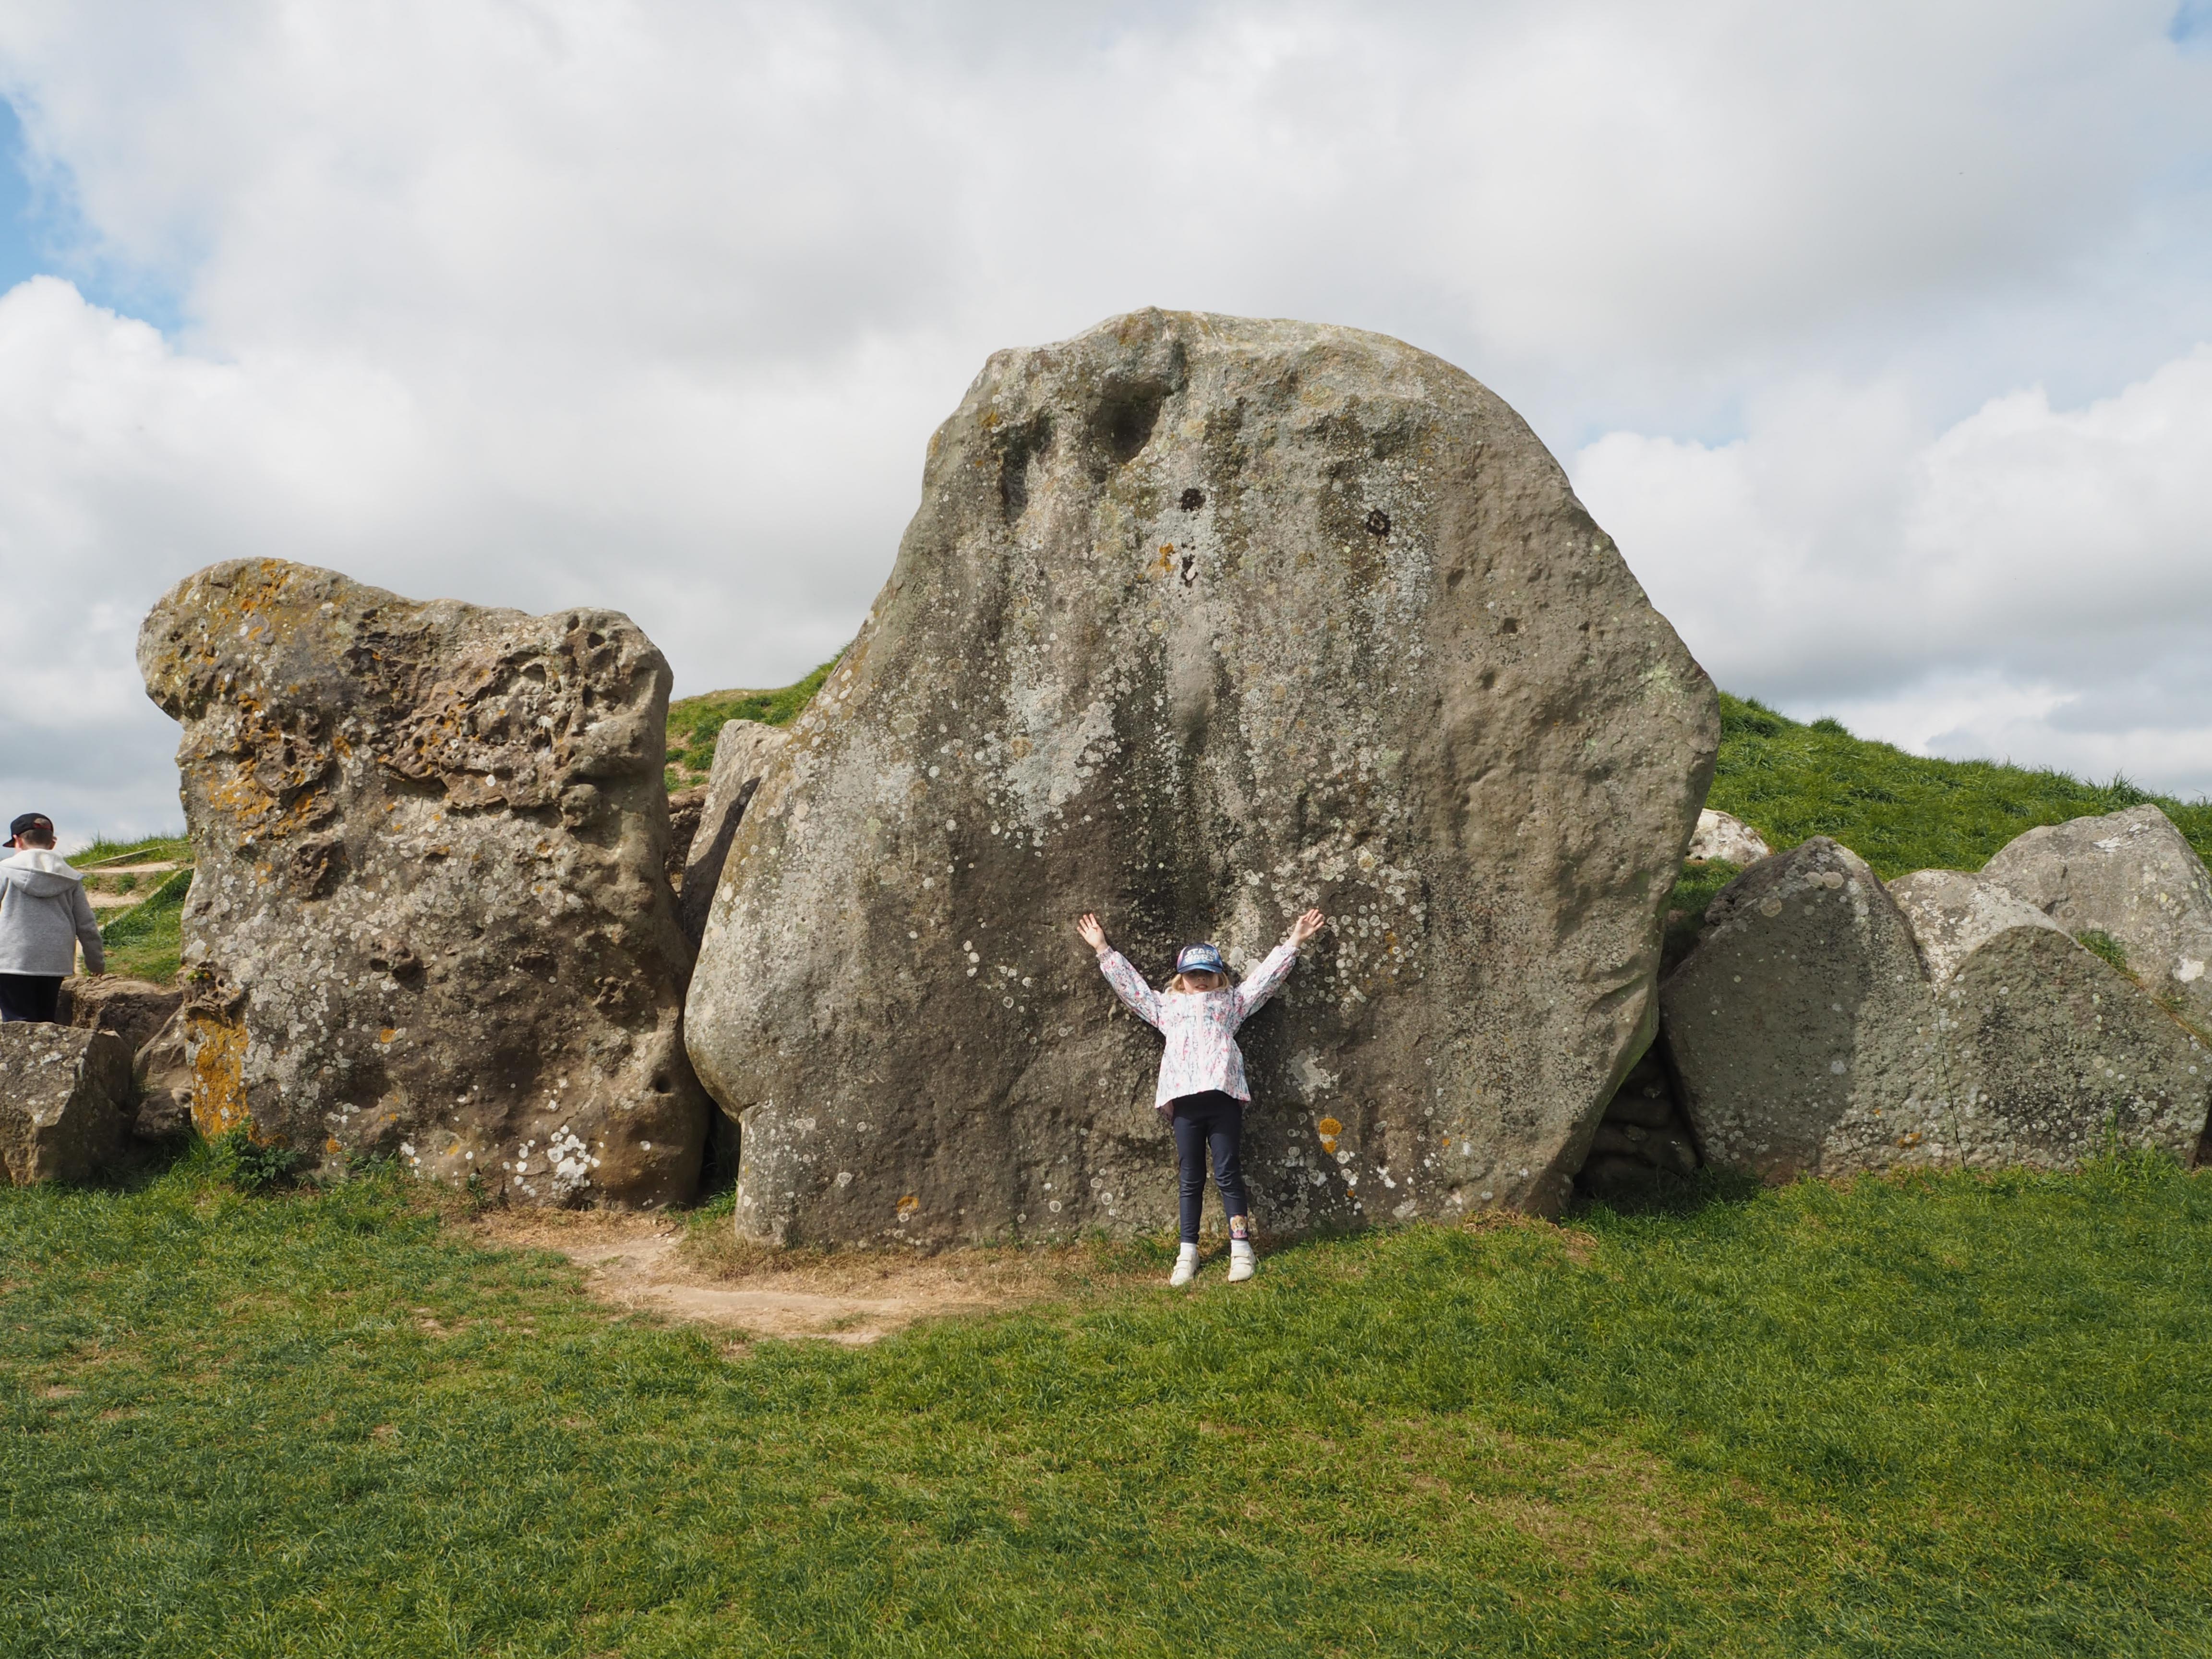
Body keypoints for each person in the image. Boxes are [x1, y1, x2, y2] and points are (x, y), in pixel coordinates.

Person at [1076, 906, 1326, 1286]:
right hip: (1184, 1103)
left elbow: (1263, 982)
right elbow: (1133, 990)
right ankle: (1186, 1254)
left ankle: (1241, 1249)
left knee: (1228, 1172)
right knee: (1190, 1178)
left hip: (1223, 1098)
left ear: (1219, 975)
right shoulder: (1165, 1007)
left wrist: (1294, 941)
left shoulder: (1232, 1003)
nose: (1201, 981)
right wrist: (1103, 950)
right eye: (1193, 975)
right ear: (1181, 978)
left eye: (1208, 974)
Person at [0, 813, 105, 1023]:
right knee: (45, 1021)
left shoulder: (4, 870)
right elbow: (86, 925)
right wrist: (96, 964)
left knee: (17, 1023)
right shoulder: (71, 878)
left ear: (18, 840)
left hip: (11, 959)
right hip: (55, 961)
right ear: (53, 843)